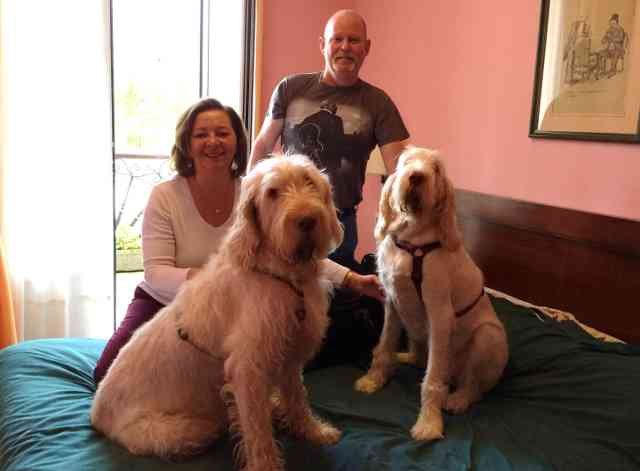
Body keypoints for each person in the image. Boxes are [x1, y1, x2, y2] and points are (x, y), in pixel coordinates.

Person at [94, 97, 383, 385]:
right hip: (164, 300)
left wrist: (353, 279)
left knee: (261, 359)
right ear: (186, 143)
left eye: (222, 133)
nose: (213, 141)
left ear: (237, 142)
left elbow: (291, 251)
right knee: (106, 371)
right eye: (201, 134)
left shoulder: (259, 191)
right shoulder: (165, 195)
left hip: (231, 301)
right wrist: (216, 282)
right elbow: (156, 274)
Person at [249, 9, 410, 270]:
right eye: (337, 39)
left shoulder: (378, 103)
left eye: (354, 40)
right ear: (323, 45)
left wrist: (399, 223)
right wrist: (250, 207)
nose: (344, 47)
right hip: (285, 221)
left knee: (332, 305)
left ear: (366, 48)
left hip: (339, 225)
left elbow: (398, 169)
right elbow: (262, 146)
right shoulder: (290, 89)